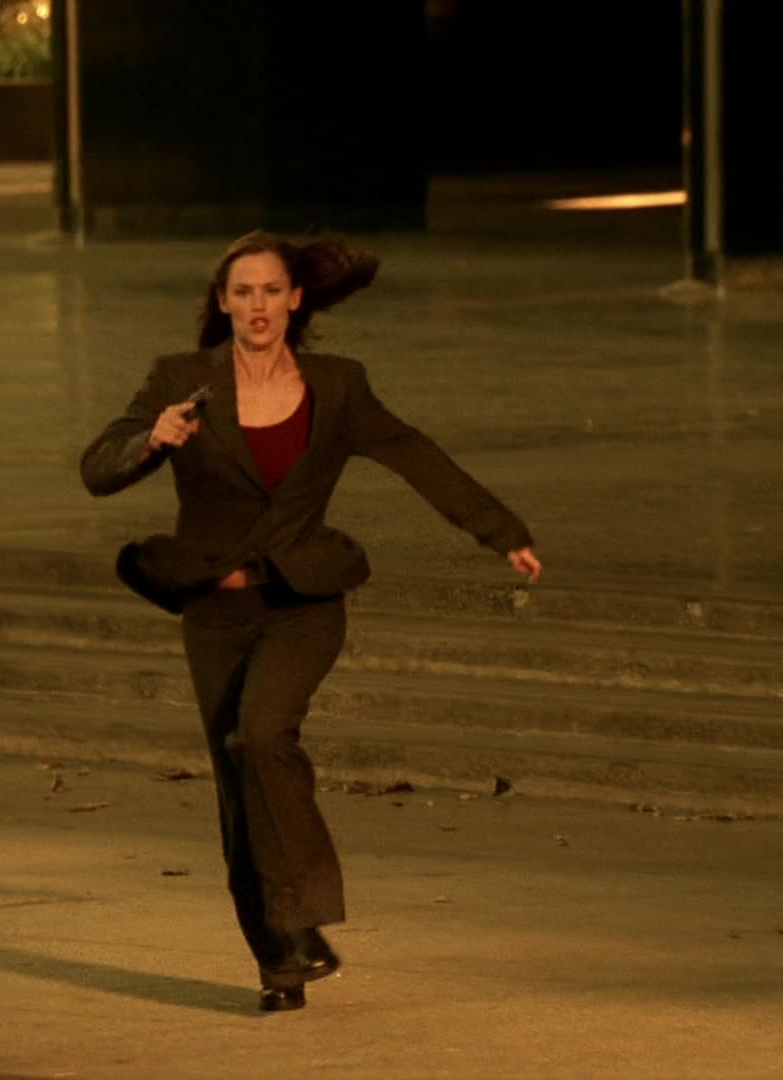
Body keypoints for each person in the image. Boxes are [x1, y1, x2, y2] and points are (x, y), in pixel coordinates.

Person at [79, 230, 542, 1012]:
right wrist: (150, 441)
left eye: (271, 290)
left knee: (261, 735)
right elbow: (97, 468)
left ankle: (305, 918)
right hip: (217, 612)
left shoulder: (338, 385)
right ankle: (283, 962)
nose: (258, 306)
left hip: (303, 603)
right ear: (223, 302)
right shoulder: (183, 380)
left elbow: (415, 454)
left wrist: (500, 532)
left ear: (295, 300)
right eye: (243, 292)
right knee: (238, 787)